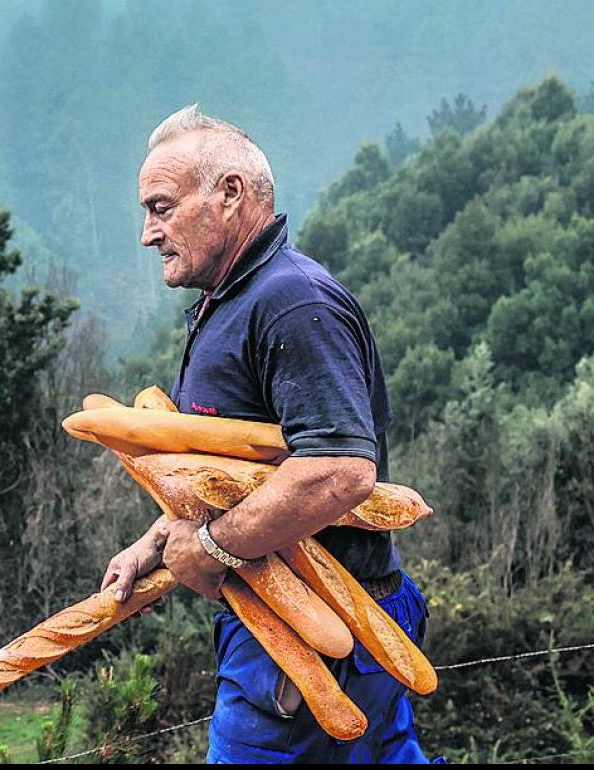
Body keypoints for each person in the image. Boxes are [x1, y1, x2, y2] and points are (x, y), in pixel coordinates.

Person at [101, 105, 434, 763]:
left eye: (161, 207)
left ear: (229, 194)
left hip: (312, 633)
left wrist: (215, 549)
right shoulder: (233, 301)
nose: (149, 233)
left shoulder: (291, 304)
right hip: (296, 623)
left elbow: (339, 469)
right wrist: (159, 541)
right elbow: (230, 474)